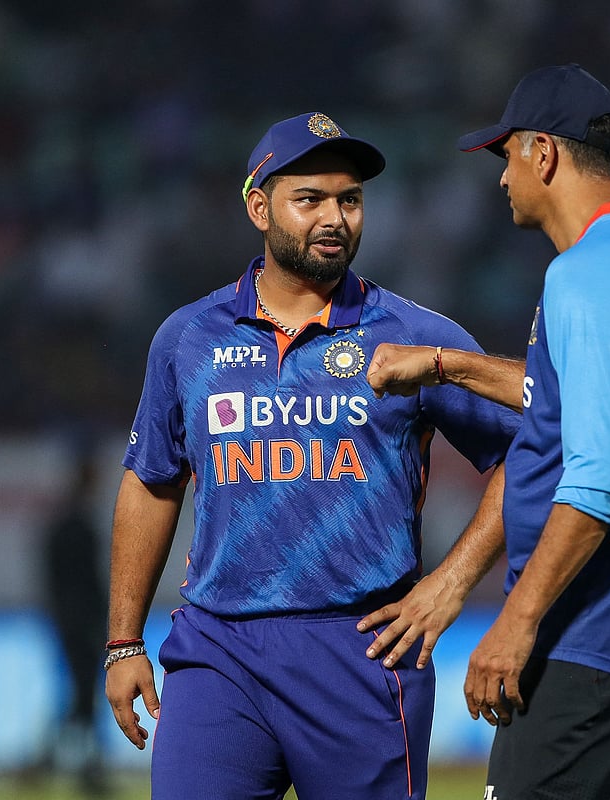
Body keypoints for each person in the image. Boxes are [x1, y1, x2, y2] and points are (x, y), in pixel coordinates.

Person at [103, 111, 520, 800]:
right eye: (310, 200)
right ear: (258, 208)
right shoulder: (188, 337)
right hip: (218, 651)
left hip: (364, 651)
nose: (335, 218)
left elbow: (525, 455)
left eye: (350, 200)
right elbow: (152, 482)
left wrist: (451, 584)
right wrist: (123, 642)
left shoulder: (414, 335)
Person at [364, 64, 610, 799]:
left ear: (544, 153)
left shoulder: (588, 276)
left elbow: (600, 477)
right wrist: (448, 366)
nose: (502, 179)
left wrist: (517, 621)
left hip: (588, 636)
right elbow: (570, 398)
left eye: (507, 156)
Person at [41, 448, 108, 795]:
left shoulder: (65, 522)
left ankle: (52, 759)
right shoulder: (78, 524)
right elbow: (88, 581)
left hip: (70, 620)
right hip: (81, 622)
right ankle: (83, 766)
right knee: (85, 692)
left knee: (82, 693)